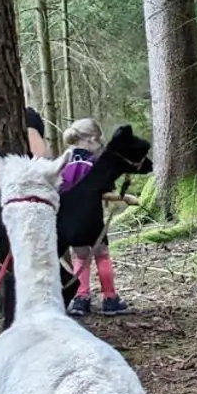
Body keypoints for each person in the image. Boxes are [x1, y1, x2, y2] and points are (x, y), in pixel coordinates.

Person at [60, 118, 130, 316]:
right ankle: (110, 299)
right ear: (90, 139)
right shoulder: (95, 163)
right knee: (102, 254)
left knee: (80, 256)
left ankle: (81, 299)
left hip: (71, 221)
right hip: (92, 219)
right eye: (99, 141)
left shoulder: (62, 162)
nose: (100, 145)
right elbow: (106, 190)